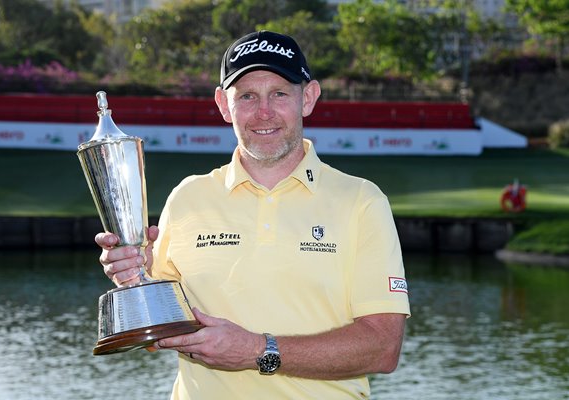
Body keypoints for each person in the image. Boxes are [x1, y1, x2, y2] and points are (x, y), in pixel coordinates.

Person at [96, 30, 410, 399]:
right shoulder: (188, 198)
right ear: (223, 104)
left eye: (279, 93)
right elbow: (156, 337)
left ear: (307, 98)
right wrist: (135, 281)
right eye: (247, 96)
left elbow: (383, 348)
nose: (263, 112)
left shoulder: (362, 201)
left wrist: (258, 351)